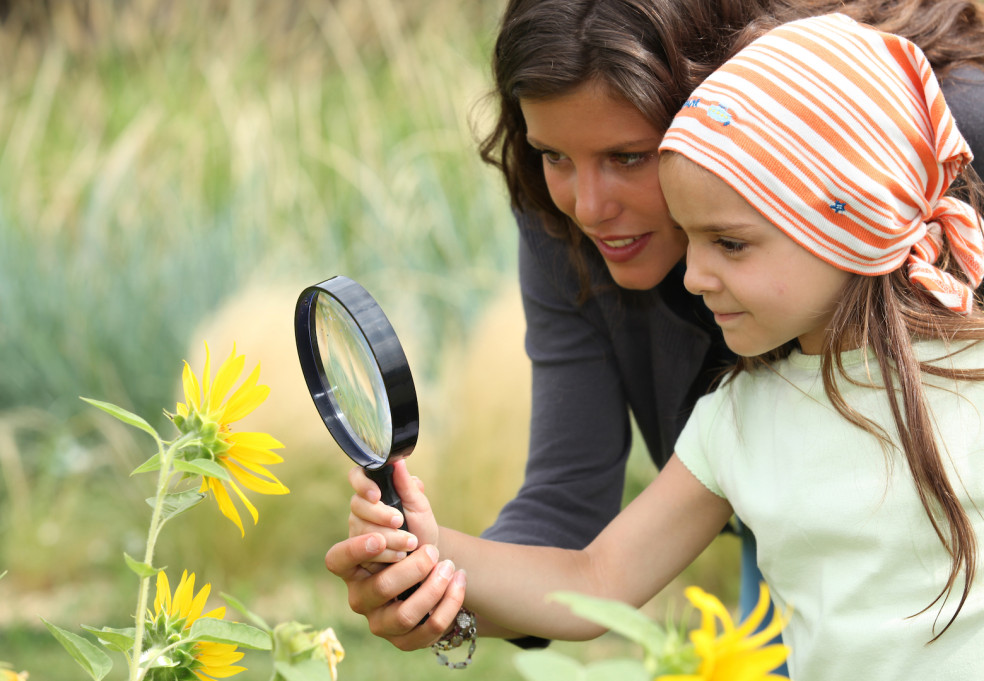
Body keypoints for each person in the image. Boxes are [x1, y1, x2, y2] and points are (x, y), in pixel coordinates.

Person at [325, 0, 984, 654]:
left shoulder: (932, 149)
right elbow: (593, 567)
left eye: (630, 157)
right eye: (553, 156)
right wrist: (433, 559)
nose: (587, 206)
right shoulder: (736, 423)